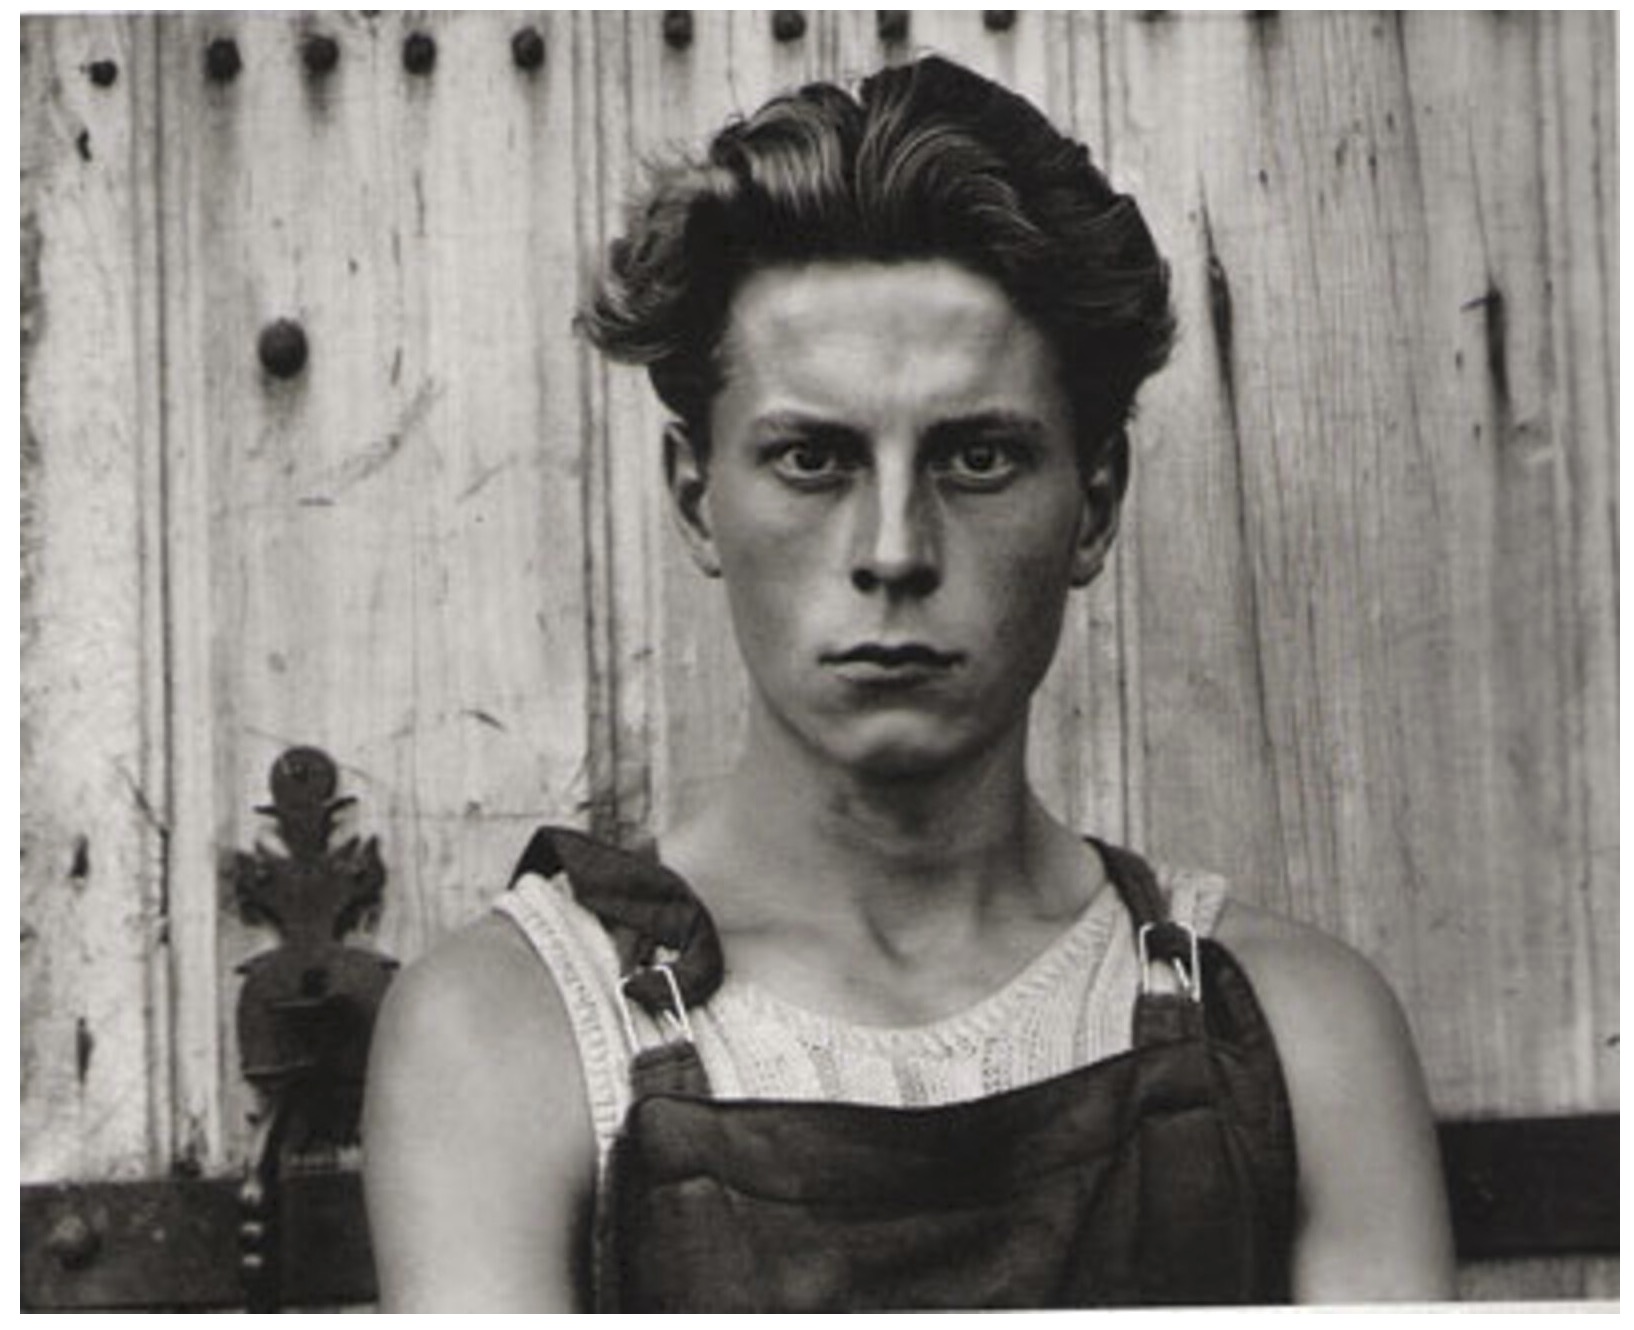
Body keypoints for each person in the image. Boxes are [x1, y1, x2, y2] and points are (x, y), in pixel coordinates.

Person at [361, 55, 1455, 1310]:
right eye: (812, 458)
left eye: (976, 457)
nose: (892, 549)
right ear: (696, 498)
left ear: (1094, 505)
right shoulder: (511, 1035)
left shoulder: (1300, 1032)